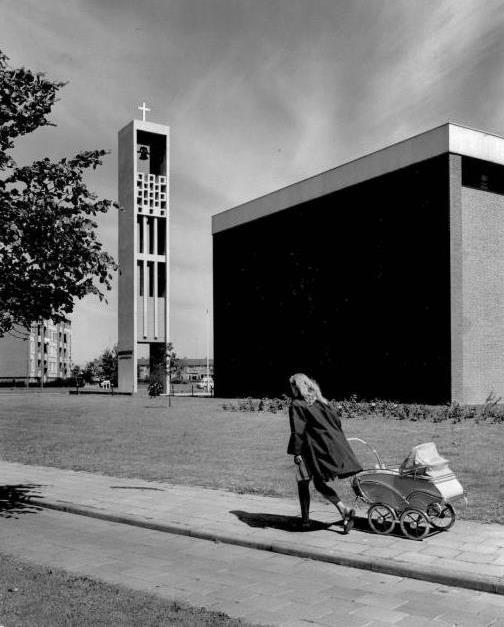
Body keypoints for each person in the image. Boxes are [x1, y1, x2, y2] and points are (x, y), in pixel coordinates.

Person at [287, 373, 362, 533]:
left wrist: (297, 452)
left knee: (303, 483)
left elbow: (297, 431)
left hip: (309, 450)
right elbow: (337, 421)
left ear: (296, 386)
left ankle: (305, 522)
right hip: (322, 448)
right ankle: (344, 511)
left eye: (292, 386)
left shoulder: (297, 404)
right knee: (319, 484)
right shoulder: (320, 400)